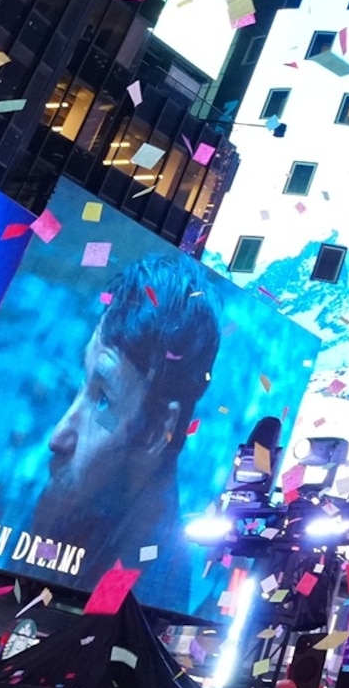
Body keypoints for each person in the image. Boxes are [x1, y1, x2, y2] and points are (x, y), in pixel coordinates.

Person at [25, 252, 223, 595]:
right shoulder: (81, 518)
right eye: (82, 384)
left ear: (156, 431)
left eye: (103, 399)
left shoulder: (142, 593)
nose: (58, 437)